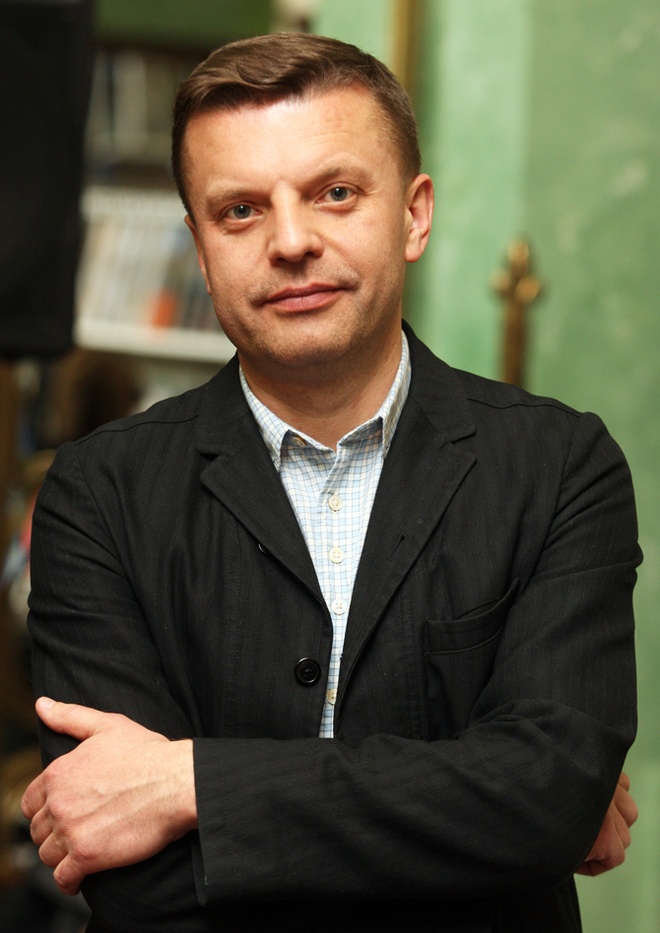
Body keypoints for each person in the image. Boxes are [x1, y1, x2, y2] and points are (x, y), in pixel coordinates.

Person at [20, 33, 640, 933]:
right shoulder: (97, 494)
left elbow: (549, 798)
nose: (291, 241)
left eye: (335, 193)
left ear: (413, 216)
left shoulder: (560, 465)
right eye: (239, 210)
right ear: (199, 249)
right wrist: (480, 806)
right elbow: (132, 879)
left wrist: (192, 782)